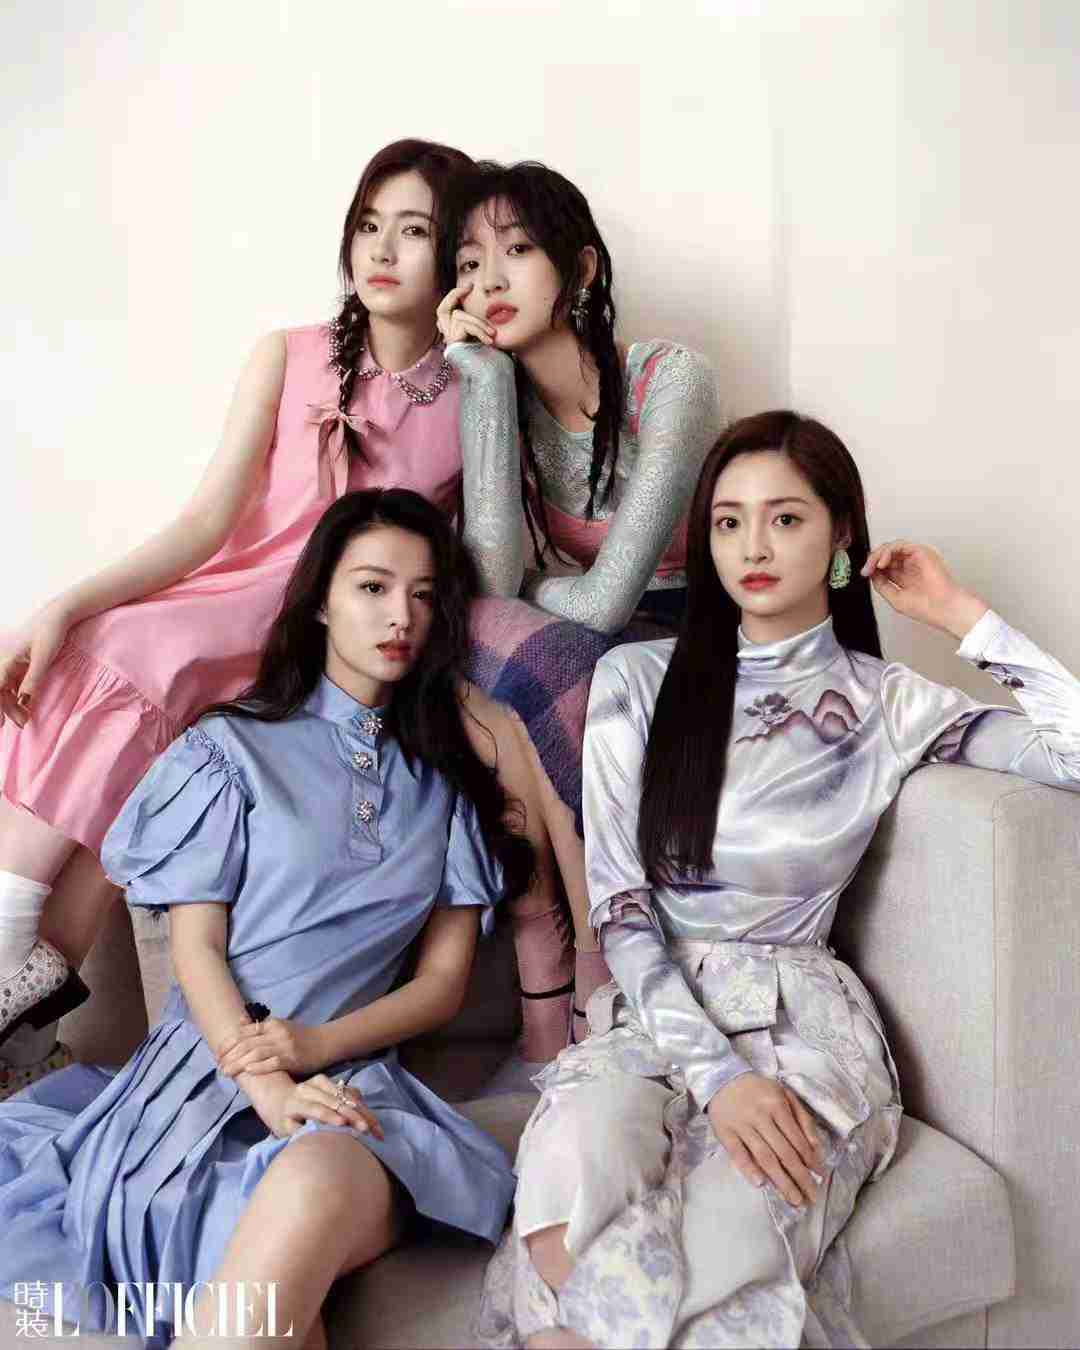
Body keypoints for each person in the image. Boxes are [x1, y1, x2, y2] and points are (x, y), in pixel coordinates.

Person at [478, 411, 1080, 1349]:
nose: (752, 547)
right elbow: (621, 909)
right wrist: (718, 1077)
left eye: (786, 519)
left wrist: (960, 614)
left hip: (805, 1027)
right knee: (565, 1202)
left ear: (842, 535)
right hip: (655, 1014)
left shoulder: (888, 701)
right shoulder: (636, 679)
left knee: (712, 1259)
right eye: (729, 522)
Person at [0, 136, 571, 1092]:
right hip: (230, 595)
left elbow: (488, 561)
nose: (381, 249)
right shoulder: (291, 354)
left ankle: (16, 941)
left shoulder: (475, 389)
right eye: (368, 225)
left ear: (453, 256)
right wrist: (65, 603)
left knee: (145, 655)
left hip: (315, 627)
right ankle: (28, 987)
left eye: (415, 231)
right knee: (110, 647)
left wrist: (479, 377)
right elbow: (207, 520)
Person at [0, 487, 534, 1350]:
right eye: (372, 587)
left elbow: (441, 985)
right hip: (196, 1081)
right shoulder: (229, 750)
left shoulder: (446, 789)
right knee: (270, 1308)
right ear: (320, 601)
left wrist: (314, 1049)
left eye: (424, 595)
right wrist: (266, 1082)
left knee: (312, 1184)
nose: (400, 615)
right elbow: (198, 949)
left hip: (349, 1084)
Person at [435, 160, 723, 1055]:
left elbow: (602, 602)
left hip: (695, 642)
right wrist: (482, 383)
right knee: (478, 641)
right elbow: (491, 583)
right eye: (469, 263)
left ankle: (579, 961)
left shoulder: (670, 381)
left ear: (584, 269)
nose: (489, 282)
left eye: (517, 252)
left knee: (537, 648)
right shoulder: (507, 406)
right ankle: (560, 942)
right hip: (596, 653)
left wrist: (533, 590)